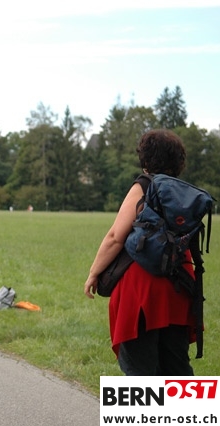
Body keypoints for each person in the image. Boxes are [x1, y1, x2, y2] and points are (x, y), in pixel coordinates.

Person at [84, 129, 196, 376]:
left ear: (146, 158)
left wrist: (94, 272)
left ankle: (145, 405)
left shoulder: (144, 185)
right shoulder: (186, 192)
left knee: (140, 372)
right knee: (177, 369)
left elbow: (116, 237)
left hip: (143, 290)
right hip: (180, 287)